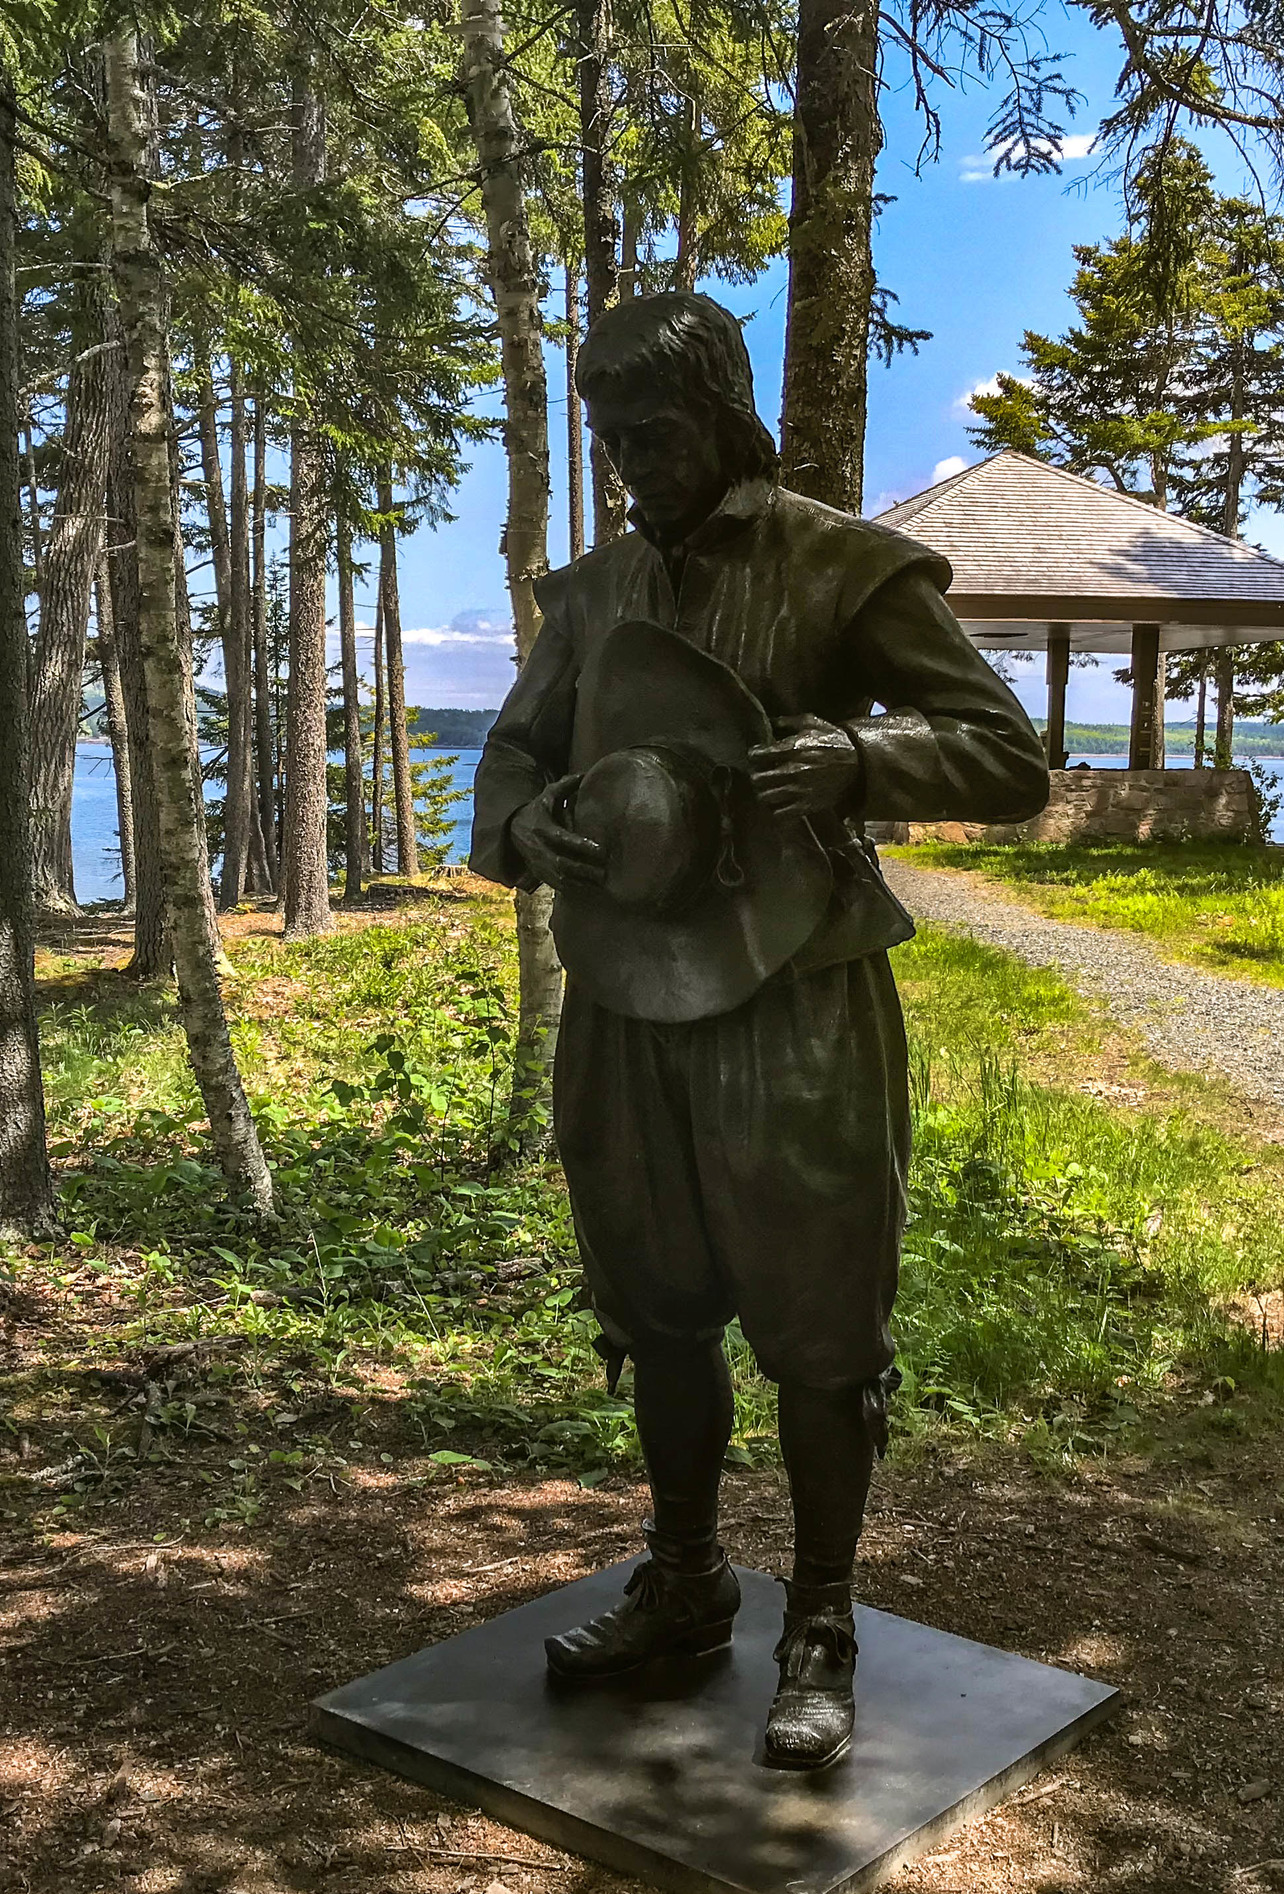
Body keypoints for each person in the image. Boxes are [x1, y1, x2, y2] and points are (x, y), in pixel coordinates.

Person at [471, 291, 1049, 1769]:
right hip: (625, 995)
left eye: (657, 433)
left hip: (795, 999)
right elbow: (514, 757)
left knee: (817, 1325)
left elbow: (1004, 753)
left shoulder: (842, 565)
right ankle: (684, 1578)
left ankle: (824, 1618)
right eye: (613, 439)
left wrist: (859, 755)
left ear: (725, 418)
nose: (634, 465)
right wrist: (526, 825)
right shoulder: (593, 595)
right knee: (654, 1301)